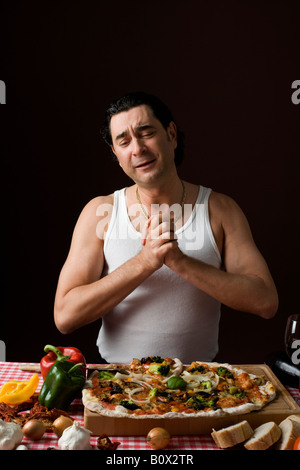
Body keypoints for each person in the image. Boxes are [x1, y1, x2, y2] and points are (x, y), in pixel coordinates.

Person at [54, 92, 278, 364]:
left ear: (171, 134)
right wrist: (144, 262)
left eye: (146, 133)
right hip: (115, 385)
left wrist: (180, 262)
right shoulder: (99, 212)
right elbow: (65, 317)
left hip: (200, 385)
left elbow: (265, 301)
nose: (137, 149)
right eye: (123, 141)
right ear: (116, 153)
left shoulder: (221, 209)